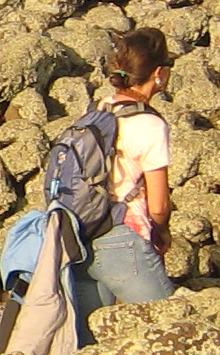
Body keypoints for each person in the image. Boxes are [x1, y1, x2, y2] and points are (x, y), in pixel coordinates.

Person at [73, 27, 176, 324]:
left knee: (89, 336)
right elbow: (159, 205)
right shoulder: (150, 124)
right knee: (169, 323)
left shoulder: (97, 108)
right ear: (158, 73)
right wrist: (162, 232)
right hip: (123, 239)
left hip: (81, 232)